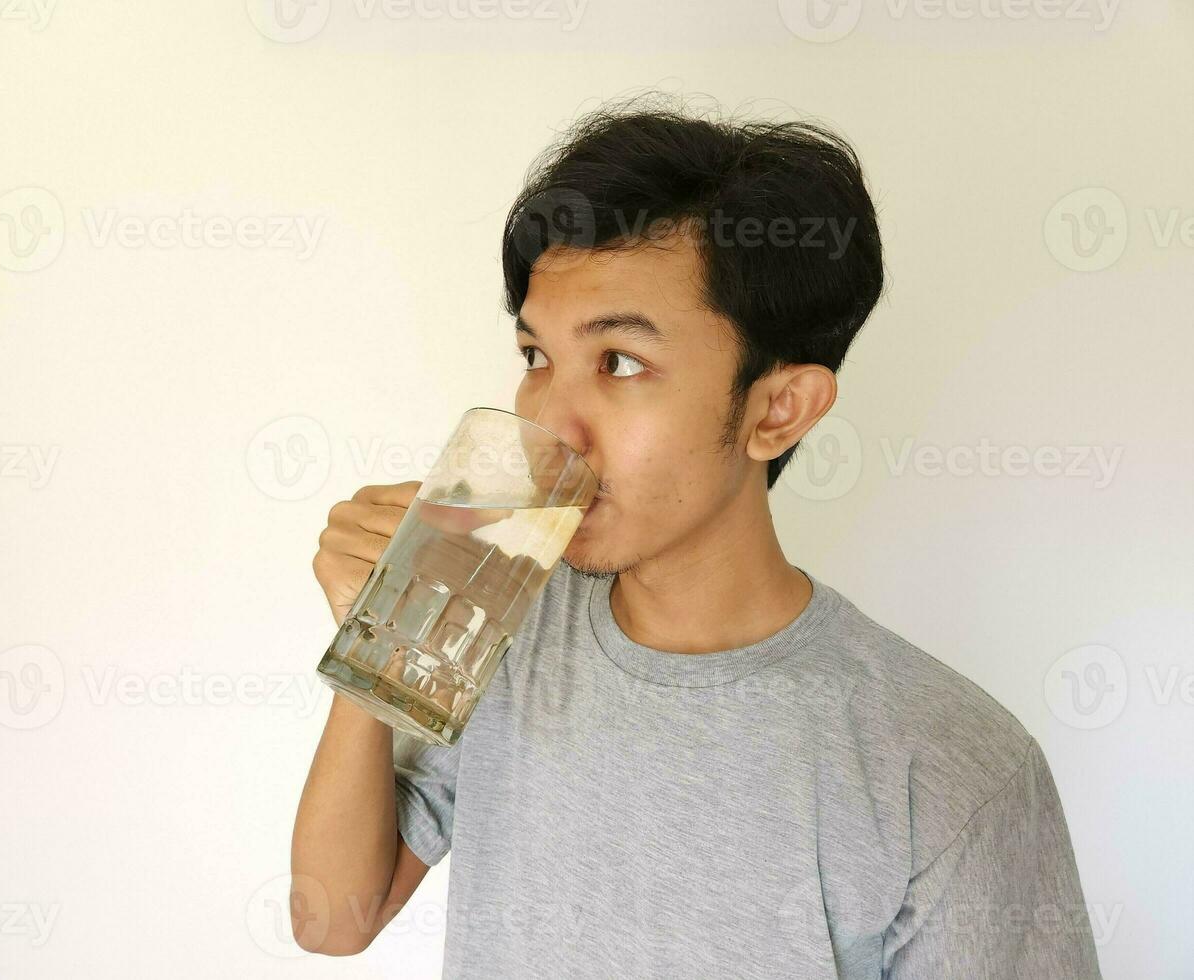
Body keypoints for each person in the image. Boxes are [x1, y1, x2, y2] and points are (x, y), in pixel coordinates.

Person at [292, 94, 1103, 979]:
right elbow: (334, 919)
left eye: (621, 362)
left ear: (777, 410)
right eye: (536, 357)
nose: (550, 423)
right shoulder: (504, 615)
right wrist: (375, 633)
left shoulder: (947, 763)